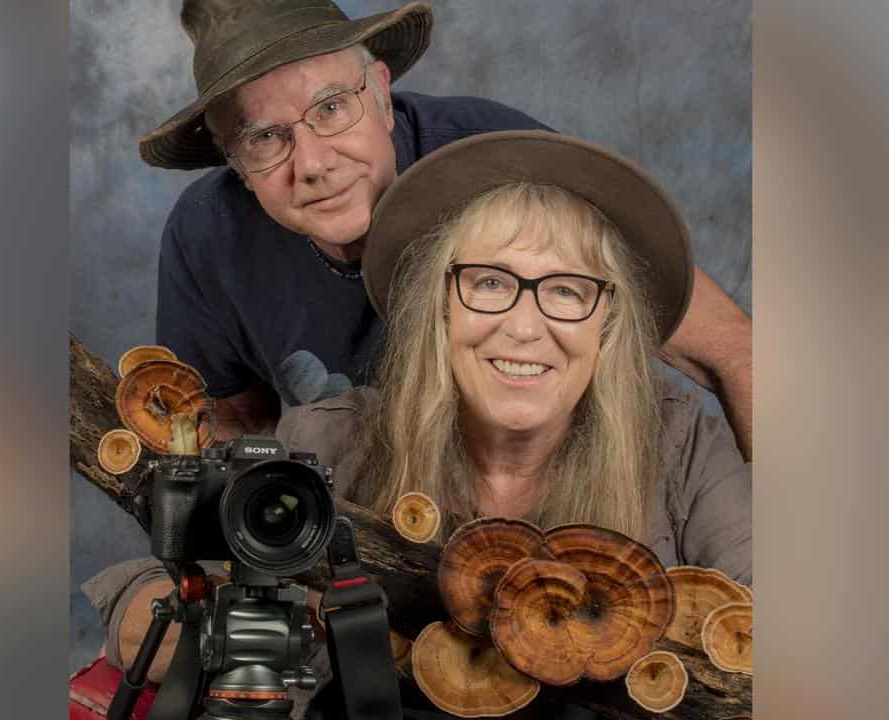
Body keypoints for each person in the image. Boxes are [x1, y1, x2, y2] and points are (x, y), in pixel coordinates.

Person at [85, 131, 749, 718]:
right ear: (437, 309)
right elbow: (149, 595)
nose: (524, 326)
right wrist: (180, 615)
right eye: (488, 283)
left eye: (566, 290)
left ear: (607, 324)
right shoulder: (328, 440)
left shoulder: (686, 445)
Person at [142, 0, 754, 458]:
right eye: (264, 137)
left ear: (381, 93)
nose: (313, 164)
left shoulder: (500, 162)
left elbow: (736, 351)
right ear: (233, 161)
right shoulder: (208, 239)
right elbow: (232, 420)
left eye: (331, 108)